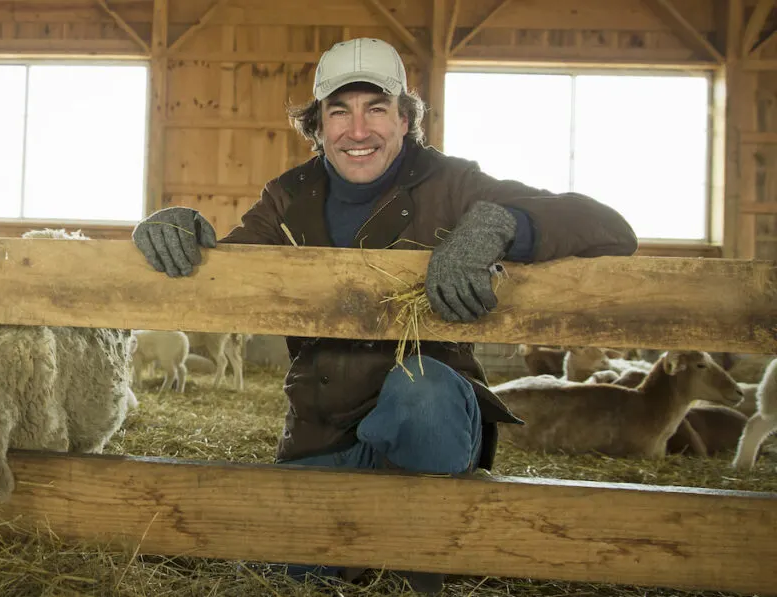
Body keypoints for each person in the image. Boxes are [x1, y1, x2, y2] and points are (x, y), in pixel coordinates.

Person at [131, 37, 637, 594]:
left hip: (429, 423)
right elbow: (230, 273)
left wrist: (497, 225)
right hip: (325, 435)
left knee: (420, 387)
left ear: (404, 120)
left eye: (376, 108)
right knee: (293, 577)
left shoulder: (452, 184)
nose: (358, 129)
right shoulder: (288, 197)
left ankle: (421, 560)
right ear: (318, 127)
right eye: (339, 111)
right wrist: (174, 229)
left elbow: (609, 227)